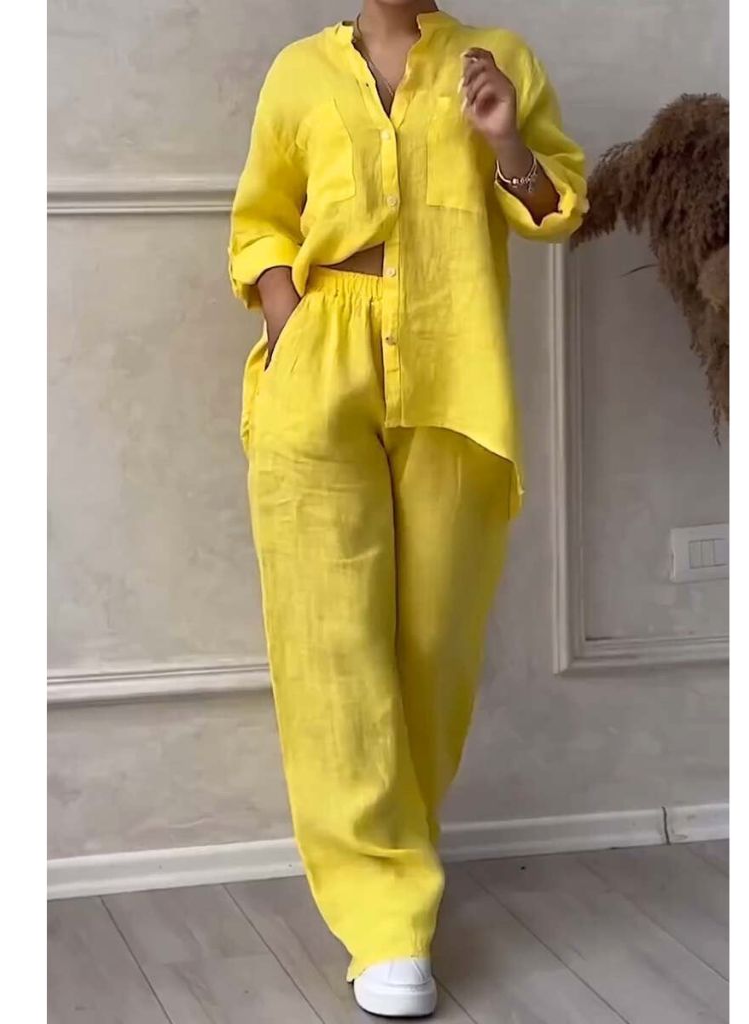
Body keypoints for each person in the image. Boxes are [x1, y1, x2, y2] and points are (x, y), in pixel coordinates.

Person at [228, 1, 586, 1016]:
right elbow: (260, 220)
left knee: (433, 646)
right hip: (319, 366)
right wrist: (290, 324)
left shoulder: (498, 59)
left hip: (452, 370)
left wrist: (504, 139)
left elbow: (557, 208)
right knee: (330, 648)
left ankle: (394, 869)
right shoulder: (298, 72)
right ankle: (387, 921)